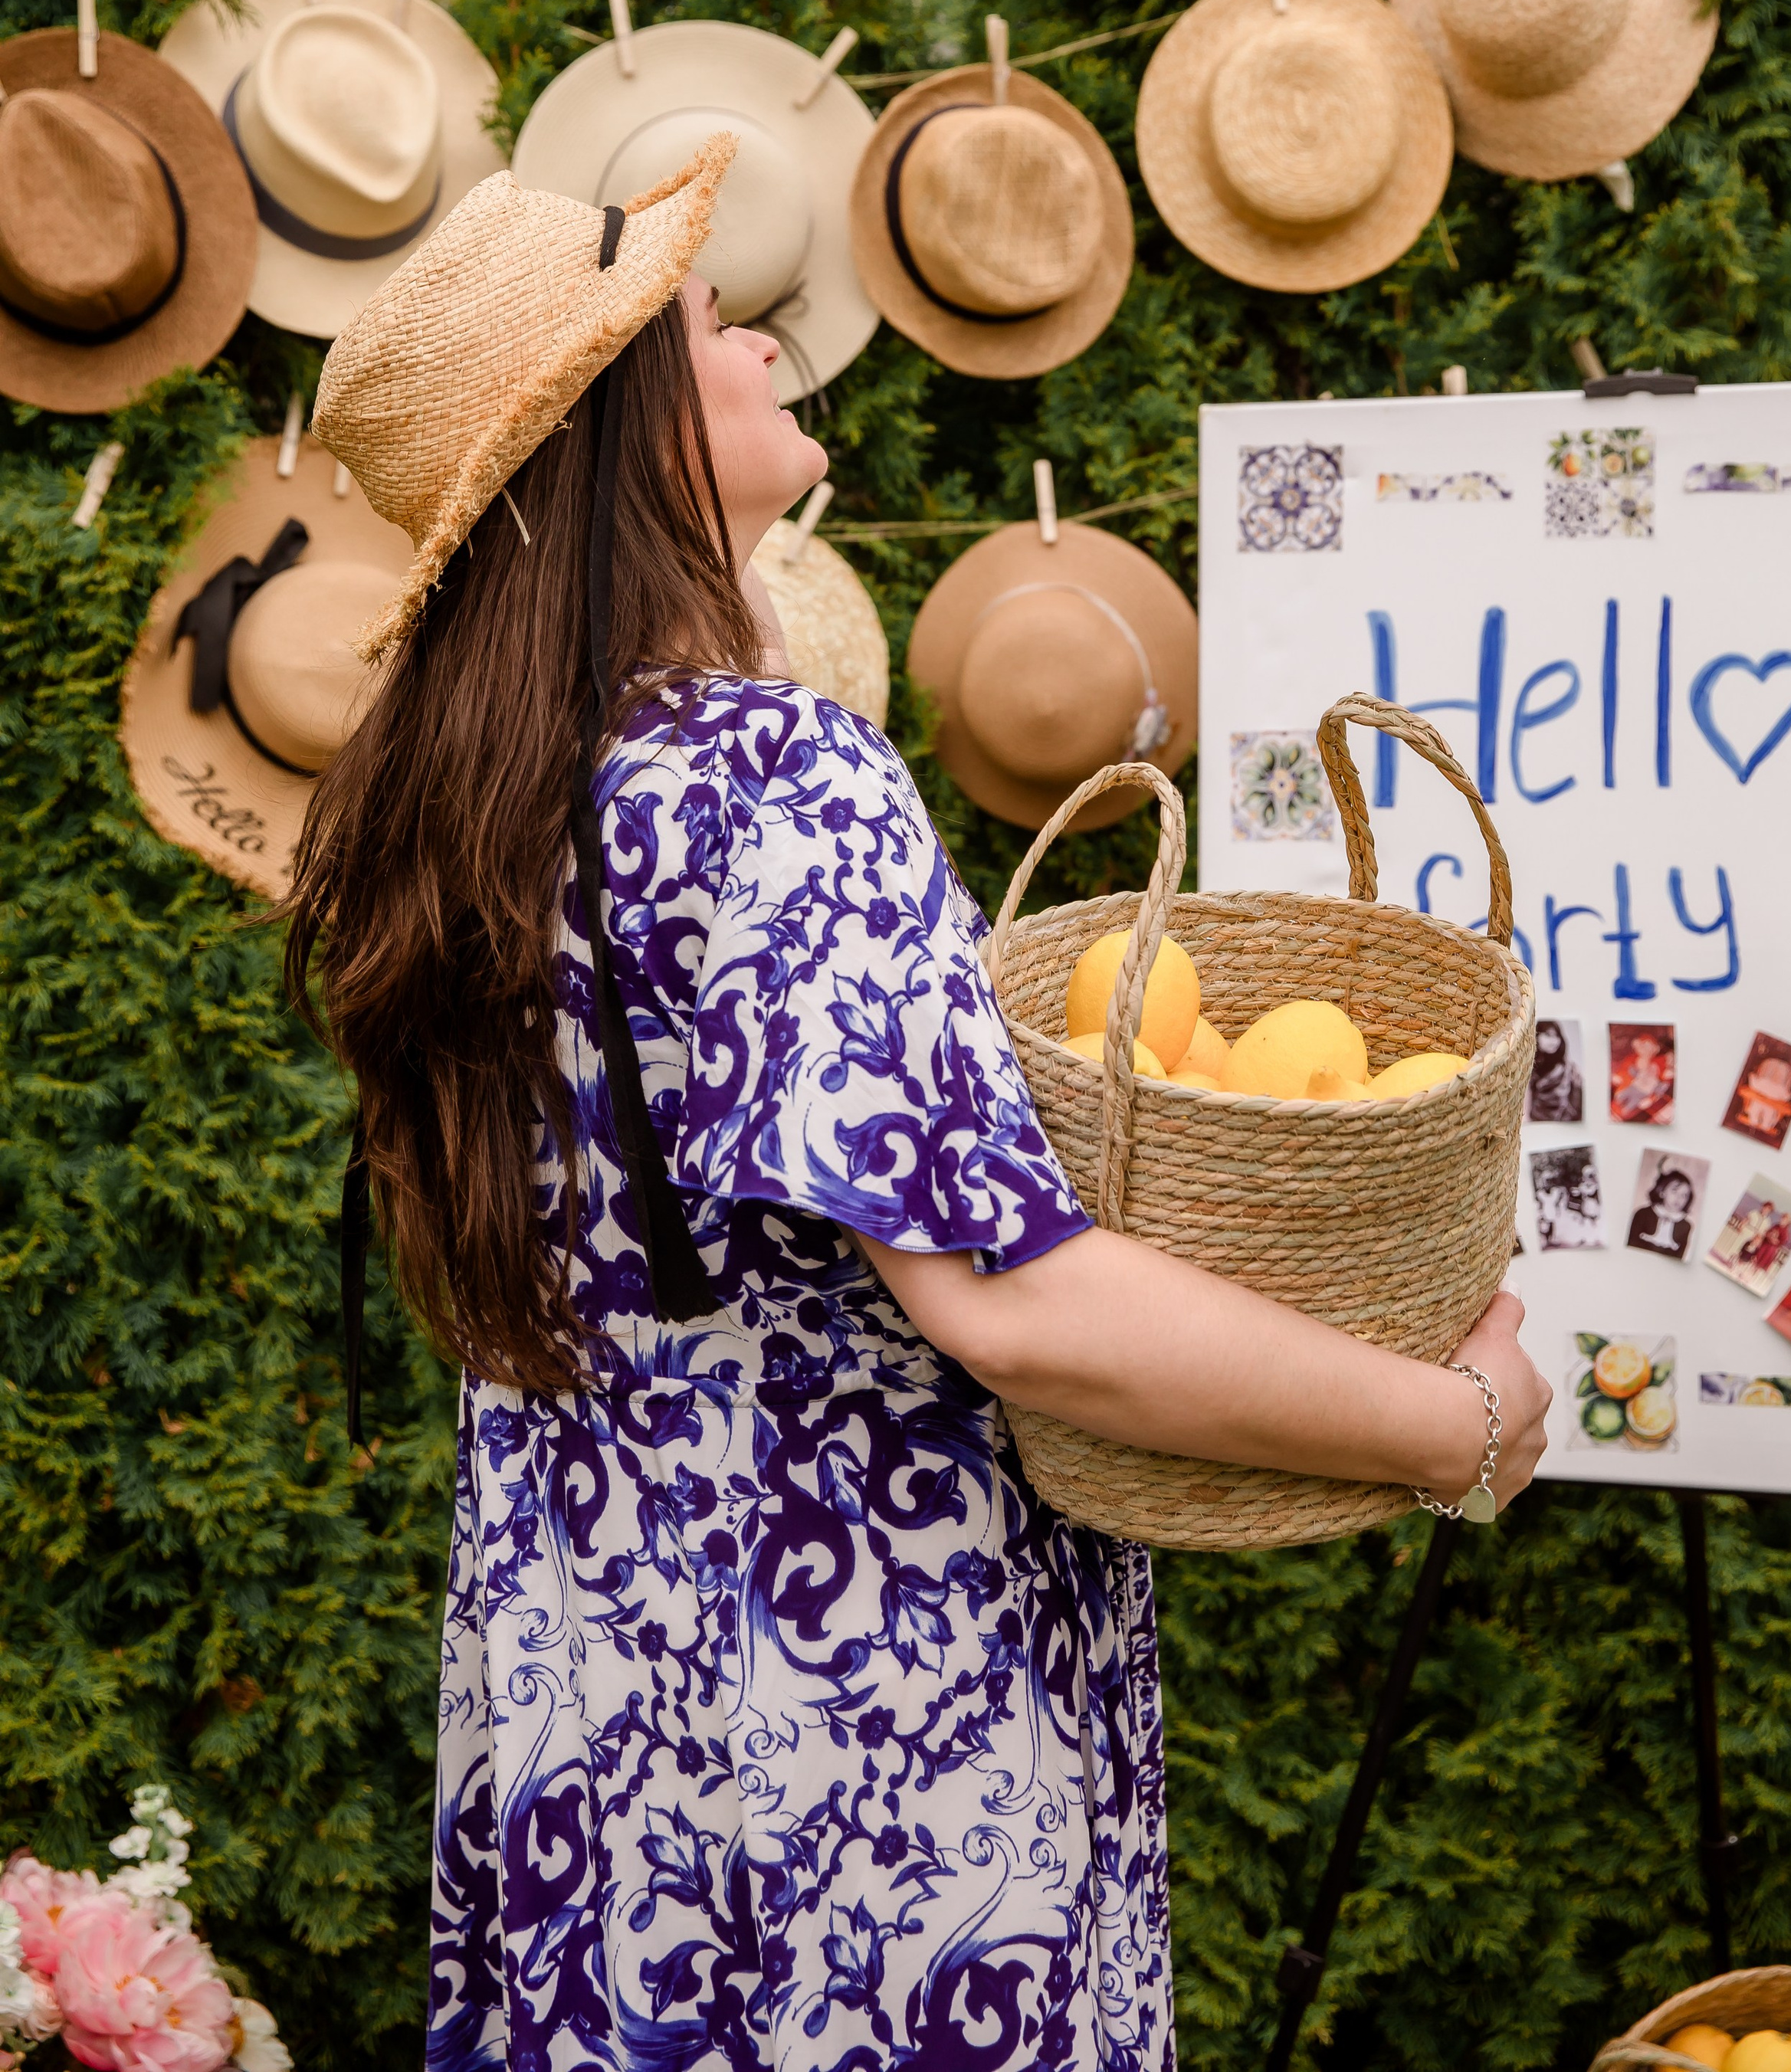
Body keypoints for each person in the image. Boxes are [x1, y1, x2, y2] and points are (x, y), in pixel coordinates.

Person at [286, 157, 1551, 2071]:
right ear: (621, 417)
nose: (764, 332)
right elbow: (1007, 1295)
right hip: (865, 1734)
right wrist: (1444, 1420)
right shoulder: (767, 772)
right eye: (707, 318)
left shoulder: (477, 801)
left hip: (582, 1705)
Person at [1629, 1163, 1696, 1260]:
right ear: (1662, 1192)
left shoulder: (1686, 1226)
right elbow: (1631, 1243)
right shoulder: (1642, 1214)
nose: (1678, 1198)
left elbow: (1678, 1257)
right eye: (1674, 1191)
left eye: (1684, 1195)